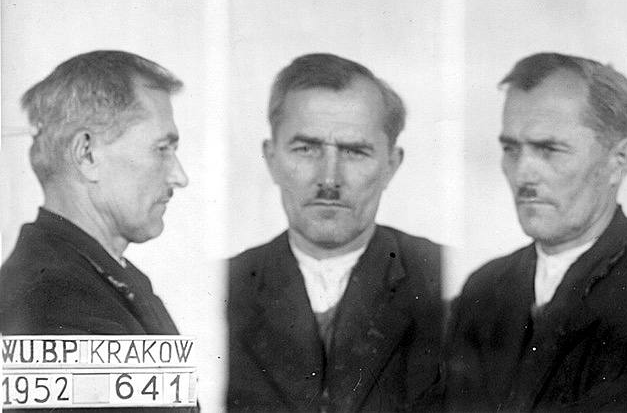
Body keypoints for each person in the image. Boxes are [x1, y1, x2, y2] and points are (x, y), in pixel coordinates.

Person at [444, 52, 627, 412]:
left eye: (549, 149)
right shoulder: (482, 289)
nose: (523, 173)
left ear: (619, 160)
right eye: (511, 148)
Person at [227, 53, 443, 413]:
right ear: (271, 158)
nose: (329, 179)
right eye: (305, 149)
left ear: (391, 165)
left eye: (355, 151)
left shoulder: (449, 282)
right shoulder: (221, 287)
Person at [0, 51, 194, 412]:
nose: (179, 176)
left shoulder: (90, 278)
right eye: (162, 149)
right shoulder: (59, 306)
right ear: (86, 154)